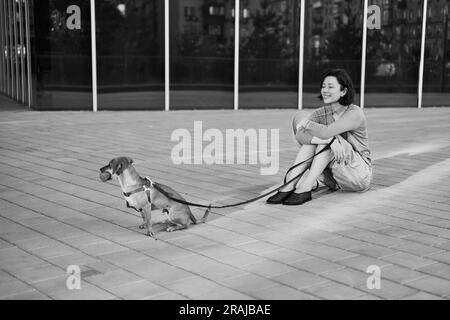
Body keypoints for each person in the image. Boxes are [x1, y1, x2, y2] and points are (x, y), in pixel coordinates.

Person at [267, 68, 372, 206]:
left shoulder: (355, 113)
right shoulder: (321, 113)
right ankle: (290, 185)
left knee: (330, 138)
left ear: (343, 91)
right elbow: (300, 135)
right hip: (334, 180)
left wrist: (311, 126)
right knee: (319, 140)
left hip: (359, 175)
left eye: (330, 86)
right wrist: (327, 140)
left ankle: (305, 187)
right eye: (323, 86)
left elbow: (326, 132)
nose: (325, 90)